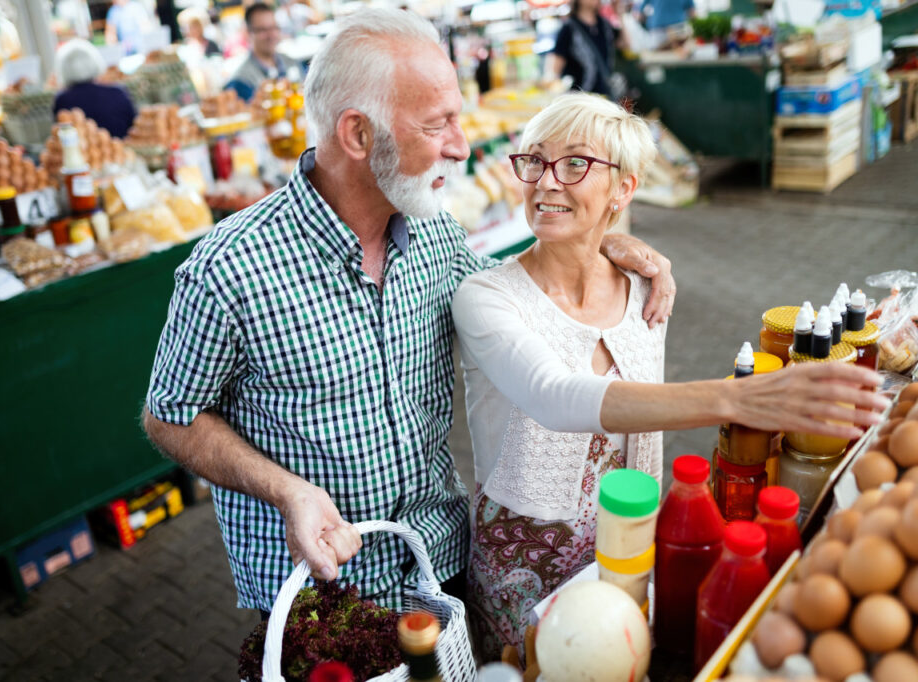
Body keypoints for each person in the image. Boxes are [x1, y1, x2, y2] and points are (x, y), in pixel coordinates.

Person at [142, 8, 678, 615]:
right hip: (321, 591)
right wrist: (288, 492)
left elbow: (520, 296)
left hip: (439, 562)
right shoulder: (230, 267)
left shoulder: (434, 233)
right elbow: (170, 416)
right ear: (358, 135)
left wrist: (601, 240)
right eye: (437, 124)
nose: (461, 145)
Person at [451, 92, 888, 662]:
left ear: (624, 189)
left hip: (630, 545)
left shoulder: (643, 291)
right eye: (533, 160)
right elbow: (552, 396)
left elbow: (641, 431)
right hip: (523, 564)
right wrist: (740, 398)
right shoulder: (486, 298)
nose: (546, 182)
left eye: (576, 163)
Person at [53, 39, 137, 139]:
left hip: (84, 152)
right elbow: (134, 125)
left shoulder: (62, 100)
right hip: (124, 149)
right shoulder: (117, 92)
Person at [224, 3, 299, 101]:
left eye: (274, 28)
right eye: (263, 30)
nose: (271, 35)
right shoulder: (241, 81)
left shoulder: (291, 62)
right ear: (248, 33)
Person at [548, 0, 619, 98]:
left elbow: (626, 44)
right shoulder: (569, 28)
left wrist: (620, 13)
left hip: (605, 97)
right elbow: (555, 69)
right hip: (580, 99)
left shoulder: (605, 25)